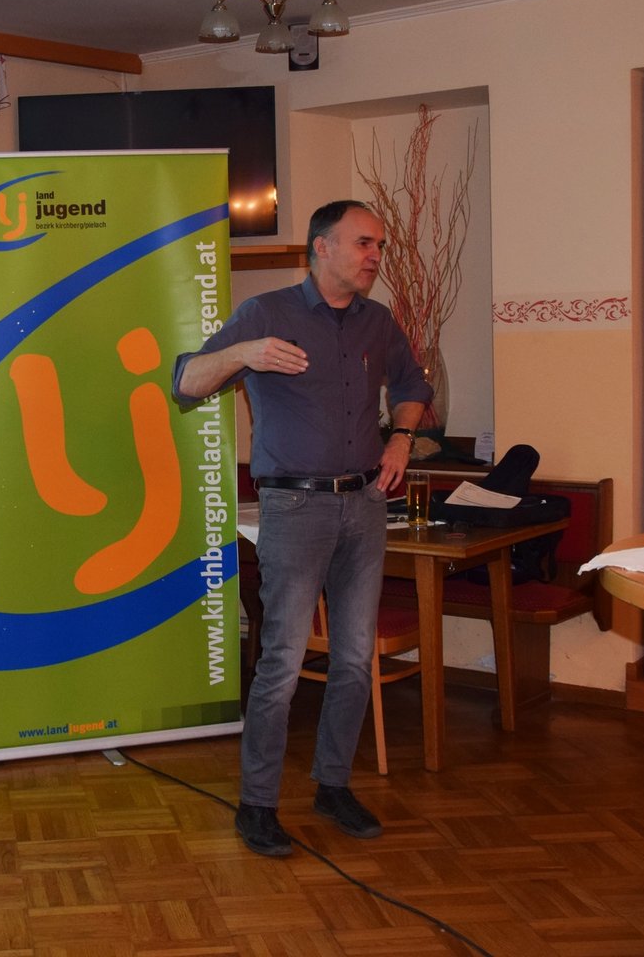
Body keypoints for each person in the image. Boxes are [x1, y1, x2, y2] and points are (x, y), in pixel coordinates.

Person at [172, 200, 430, 857]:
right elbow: (186, 382)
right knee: (283, 661)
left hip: (364, 504)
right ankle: (257, 804)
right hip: (294, 508)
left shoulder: (376, 322)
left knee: (353, 658)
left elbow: (412, 385)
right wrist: (244, 352)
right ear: (322, 247)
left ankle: (332, 785)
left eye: (379, 246)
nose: (375, 256)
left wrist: (400, 438)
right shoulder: (267, 314)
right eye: (363, 243)